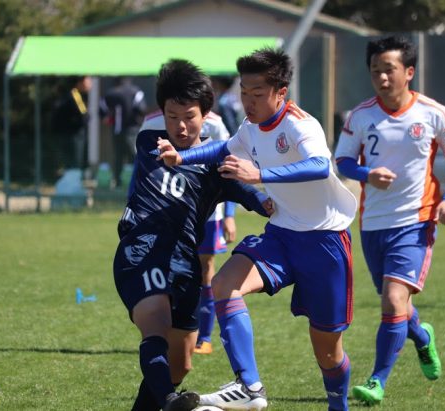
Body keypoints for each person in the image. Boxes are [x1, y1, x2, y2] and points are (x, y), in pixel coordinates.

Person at [158, 47, 358, 411]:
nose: (247, 102)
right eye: (243, 92)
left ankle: (338, 406)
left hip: (325, 243)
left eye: (257, 94)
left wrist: (260, 175)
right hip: (281, 236)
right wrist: (181, 156)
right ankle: (250, 386)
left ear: (281, 92)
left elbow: (317, 165)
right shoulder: (250, 128)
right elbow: (223, 149)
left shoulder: (301, 124)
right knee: (223, 285)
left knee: (328, 351)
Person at [113, 58, 273, 411]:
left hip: (184, 265)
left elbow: (260, 201)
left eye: (189, 117)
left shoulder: (218, 167)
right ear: (162, 113)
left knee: (180, 363)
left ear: (206, 116)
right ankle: (172, 402)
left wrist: (274, 192)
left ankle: (163, 399)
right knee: (155, 322)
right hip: (142, 251)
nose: (181, 127)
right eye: (172, 116)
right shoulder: (148, 144)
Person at [334, 35, 445, 405]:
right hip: (373, 224)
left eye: (389, 70)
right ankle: (422, 338)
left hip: (417, 220)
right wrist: (366, 175)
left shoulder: (432, 112)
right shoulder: (360, 116)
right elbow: (341, 161)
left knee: (393, 301)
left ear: (408, 72)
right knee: (399, 306)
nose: (382, 78)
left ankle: (376, 381)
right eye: (375, 71)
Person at [140, 109, 237, 355]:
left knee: (204, 271)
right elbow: (141, 169)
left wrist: (230, 216)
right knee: (166, 271)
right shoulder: (151, 123)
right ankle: (171, 332)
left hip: (207, 214)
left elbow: (228, 168)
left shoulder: (214, 123)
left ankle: (203, 337)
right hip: (167, 212)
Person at [103, 77, 147, 187]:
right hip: (132, 129)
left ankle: (117, 181)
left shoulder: (110, 93)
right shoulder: (135, 91)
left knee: (118, 156)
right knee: (134, 155)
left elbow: (102, 108)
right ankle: (137, 181)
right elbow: (141, 108)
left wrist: (108, 117)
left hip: (117, 130)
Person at [51, 76, 92, 172]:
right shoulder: (76, 95)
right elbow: (84, 114)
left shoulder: (70, 95)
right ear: (80, 83)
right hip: (75, 135)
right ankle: (74, 182)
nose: (90, 84)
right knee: (75, 162)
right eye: (88, 81)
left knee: (69, 162)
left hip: (67, 133)